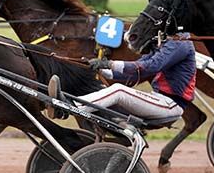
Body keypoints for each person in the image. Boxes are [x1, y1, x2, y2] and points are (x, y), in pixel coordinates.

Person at [47, 35, 196, 121]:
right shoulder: (167, 42)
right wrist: (103, 70)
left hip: (171, 105)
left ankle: (70, 107)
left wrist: (110, 63)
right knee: (111, 90)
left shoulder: (180, 42)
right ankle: (69, 104)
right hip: (159, 99)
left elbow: (151, 66)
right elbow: (140, 70)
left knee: (118, 91)